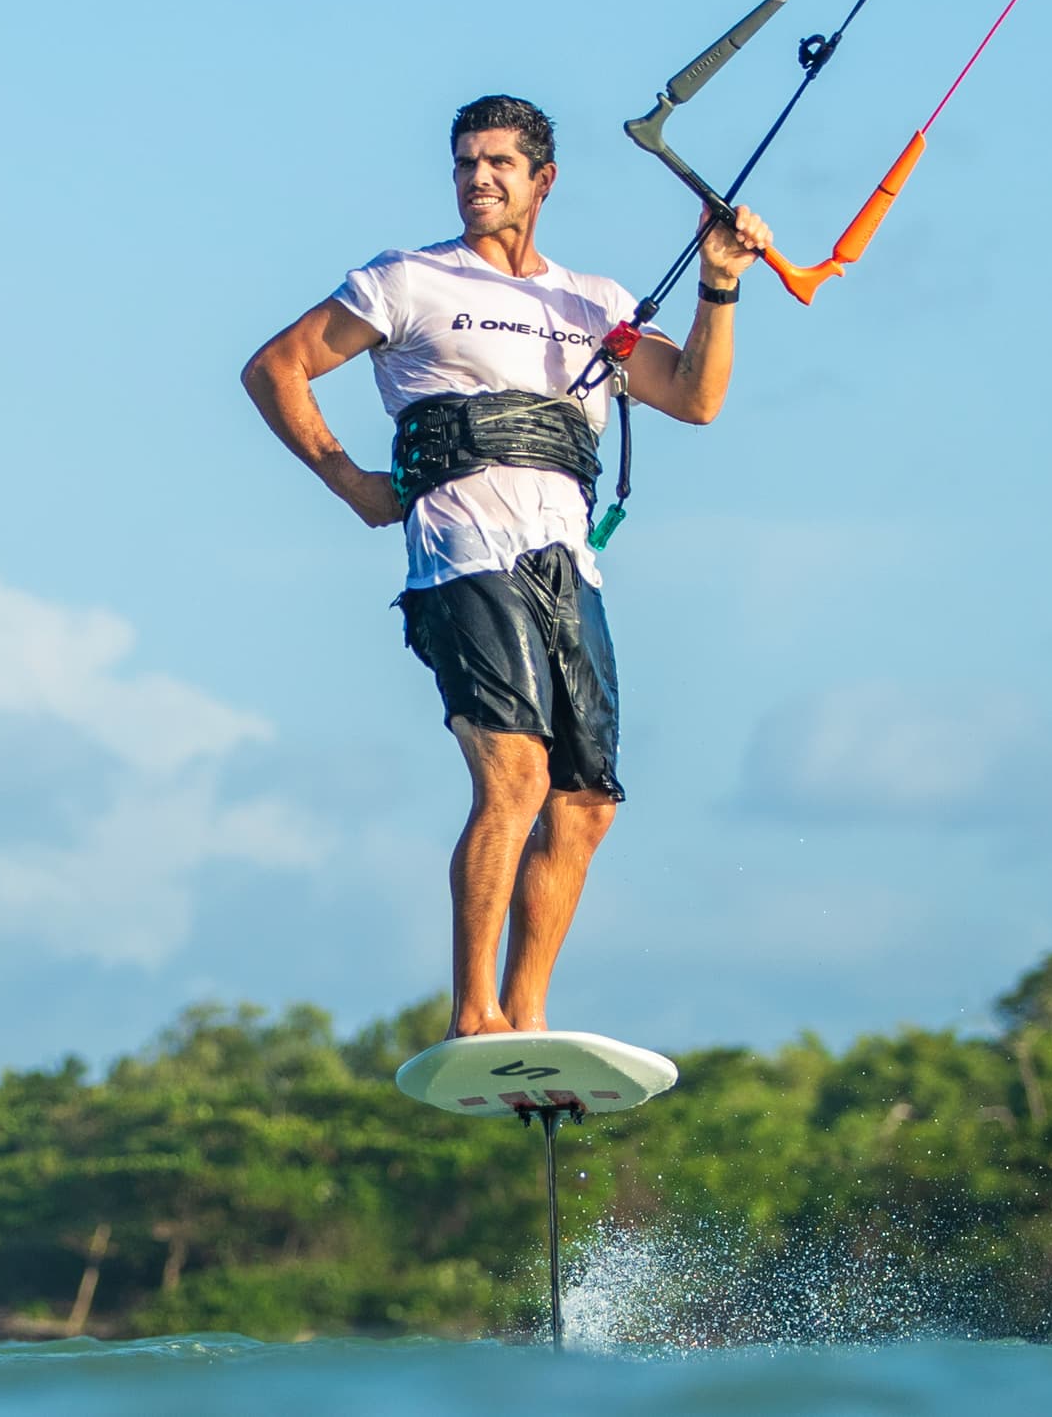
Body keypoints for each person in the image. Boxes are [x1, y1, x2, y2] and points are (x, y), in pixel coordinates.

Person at [240, 93, 770, 1041]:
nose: (477, 179)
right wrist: (351, 481)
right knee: (515, 779)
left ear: (542, 180)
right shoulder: (406, 281)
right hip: (461, 552)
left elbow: (694, 400)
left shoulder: (596, 305)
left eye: (497, 164)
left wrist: (719, 282)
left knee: (586, 802)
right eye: (463, 163)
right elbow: (274, 366)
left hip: (567, 562)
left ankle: (526, 1016)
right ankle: (472, 1012)